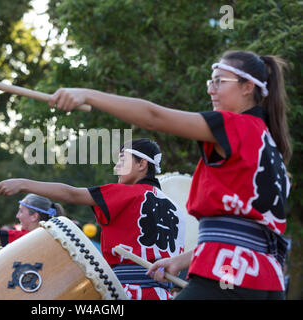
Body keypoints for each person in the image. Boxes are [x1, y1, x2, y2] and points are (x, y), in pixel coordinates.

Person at [44, 50, 292, 300]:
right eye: (211, 81)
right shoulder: (272, 147)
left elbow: (154, 117)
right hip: (267, 282)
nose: (211, 90)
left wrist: (87, 94)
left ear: (248, 87)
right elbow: (246, 233)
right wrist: (182, 260)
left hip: (228, 273)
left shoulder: (234, 126)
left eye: (219, 81)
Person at [0, 138, 186, 300]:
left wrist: (23, 184)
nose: (116, 166)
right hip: (165, 295)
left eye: (122, 160)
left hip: (127, 292)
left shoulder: (126, 193)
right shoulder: (177, 209)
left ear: (142, 164)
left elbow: (72, 194)